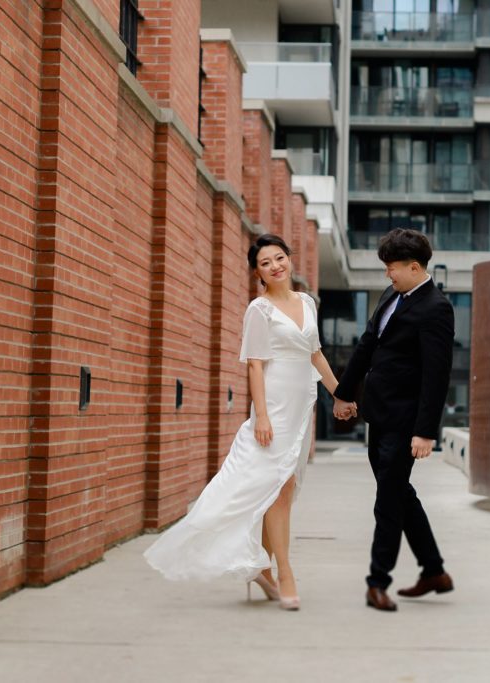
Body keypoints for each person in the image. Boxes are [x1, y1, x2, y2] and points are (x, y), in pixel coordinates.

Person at [144, 234, 344, 611]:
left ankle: (263, 571)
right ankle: (284, 573)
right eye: (266, 262)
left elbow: (315, 353)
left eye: (279, 257)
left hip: (301, 407)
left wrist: (339, 393)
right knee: (277, 488)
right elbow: (254, 364)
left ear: (289, 259)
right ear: (258, 273)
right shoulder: (260, 310)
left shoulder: (306, 302)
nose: (275, 266)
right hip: (275, 409)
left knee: (283, 491)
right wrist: (262, 416)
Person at [331, 228, 455, 612]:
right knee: (399, 494)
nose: (387, 274)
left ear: (414, 267)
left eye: (392, 268)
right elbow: (367, 346)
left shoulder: (436, 308)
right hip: (379, 416)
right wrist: (343, 393)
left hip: (405, 424)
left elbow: (437, 375)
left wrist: (424, 432)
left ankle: (377, 581)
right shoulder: (391, 296)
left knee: (387, 500)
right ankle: (434, 570)